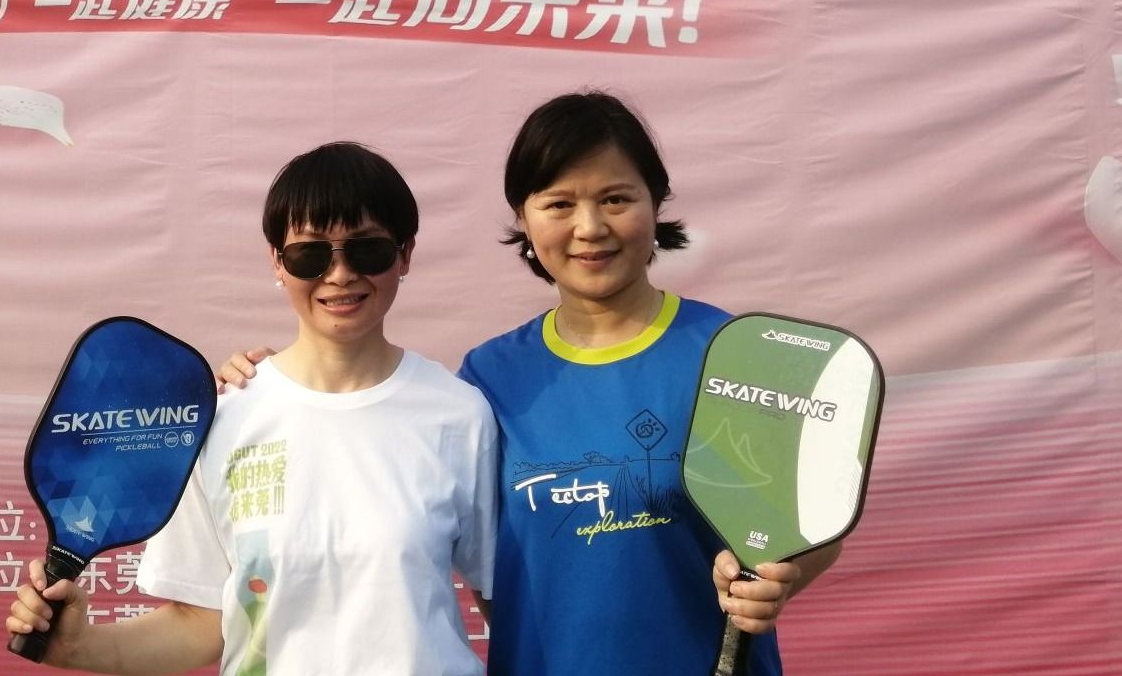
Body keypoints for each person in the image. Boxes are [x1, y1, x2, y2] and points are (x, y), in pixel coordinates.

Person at [219, 92, 841, 676]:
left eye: (616, 199)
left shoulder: (731, 355)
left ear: (656, 203)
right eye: (559, 204)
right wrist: (271, 385)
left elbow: (807, 525)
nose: (589, 227)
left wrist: (778, 579)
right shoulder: (488, 379)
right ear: (524, 217)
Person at [5, 142, 499, 676]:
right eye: (310, 254)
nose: (339, 274)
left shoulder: (459, 414)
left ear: (405, 254)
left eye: (368, 250)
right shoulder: (222, 418)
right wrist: (79, 647)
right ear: (277, 262)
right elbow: (199, 625)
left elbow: (508, 601)